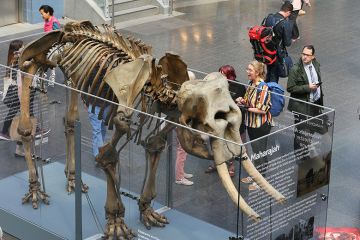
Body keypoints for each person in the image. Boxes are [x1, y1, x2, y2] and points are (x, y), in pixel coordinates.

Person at [236, 61, 272, 190]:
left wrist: (245, 108)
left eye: (250, 70)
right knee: (255, 150)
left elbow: (262, 109)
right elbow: (249, 101)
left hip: (260, 126)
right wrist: (242, 100)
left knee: (260, 152)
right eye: (248, 69)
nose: (247, 71)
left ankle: (261, 180)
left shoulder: (263, 87)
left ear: (257, 72)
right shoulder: (251, 84)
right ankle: (255, 175)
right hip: (251, 123)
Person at [205, 65, 246, 177]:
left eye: (222, 73)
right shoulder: (216, 85)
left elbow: (239, 104)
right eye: (219, 73)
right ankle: (215, 163)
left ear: (229, 75)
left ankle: (231, 166)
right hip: (218, 118)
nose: (220, 76)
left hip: (231, 120)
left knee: (229, 144)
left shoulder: (239, 87)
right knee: (215, 142)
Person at [0, 40, 36, 157]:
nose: (24, 47)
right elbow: (19, 81)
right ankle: (5, 131)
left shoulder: (14, 59)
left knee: (21, 112)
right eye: (22, 46)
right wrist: (22, 97)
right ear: (18, 49)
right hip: (19, 93)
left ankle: (6, 133)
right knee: (21, 112)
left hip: (20, 92)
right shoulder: (16, 62)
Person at [287, 45, 323, 151]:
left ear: (313, 57)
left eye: (307, 55)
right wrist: (307, 87)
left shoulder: (315, 64)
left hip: (315, 104)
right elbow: (290, 88)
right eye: (303, 54)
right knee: (300, 132)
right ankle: (299, 155)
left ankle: (306, 149)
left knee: (311, 128)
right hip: (302, 106)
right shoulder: (295, 69)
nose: (304, 57)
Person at [83, 61, 109, 159]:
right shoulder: (92, 71)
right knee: (97, 130)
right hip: (95, 105)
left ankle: (99, 152)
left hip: (106, 106)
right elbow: (85, 86)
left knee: (102, 128)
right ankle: (99, 155)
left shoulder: (109, 71)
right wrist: (85, 101)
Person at [264, 1, 293, 83]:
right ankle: (270, 93)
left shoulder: (269, 17)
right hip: (276, 54)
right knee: (274, 74)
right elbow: (287, 43)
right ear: (288, 12)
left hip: (266, 51)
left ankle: (264, 91)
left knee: (268, 72)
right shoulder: (284, 23)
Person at [175, 71, 195, 186]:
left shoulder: (183, 91)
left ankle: (181, 172)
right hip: (182, 125)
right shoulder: (185, 95)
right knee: (181, 151)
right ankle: (179, 177)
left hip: (184, 124)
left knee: (183, 151)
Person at [39, 5, 60, 87]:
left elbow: (57, 35)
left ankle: (52, 78)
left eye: (42, 13)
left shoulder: (54, 22)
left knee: (51, 59)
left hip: (54, 45)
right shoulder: (47, 20)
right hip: (47, 44)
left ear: (48, 13)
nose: (41, 15)